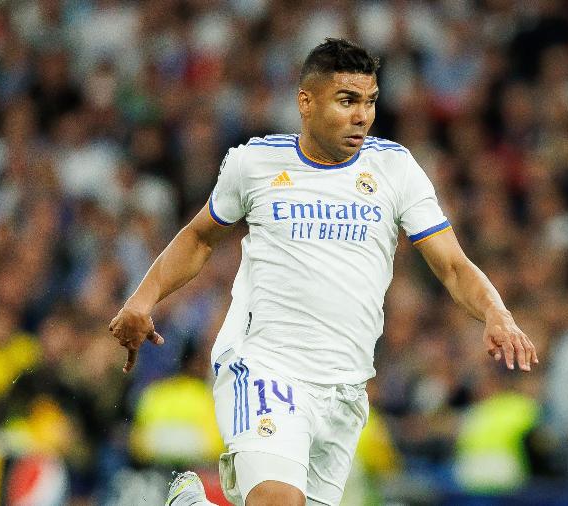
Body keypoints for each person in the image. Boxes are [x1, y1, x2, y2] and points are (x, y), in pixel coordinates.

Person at [109, 38, 538, 506]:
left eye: (370, 102)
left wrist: (497, 312)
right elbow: (197, 238)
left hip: (345, 388)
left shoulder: (395, 169)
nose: (362, 116)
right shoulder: (256, 163)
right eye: (347, 101)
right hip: (266, 365)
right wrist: (141, 300)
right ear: (305, 103)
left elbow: (453, 266)